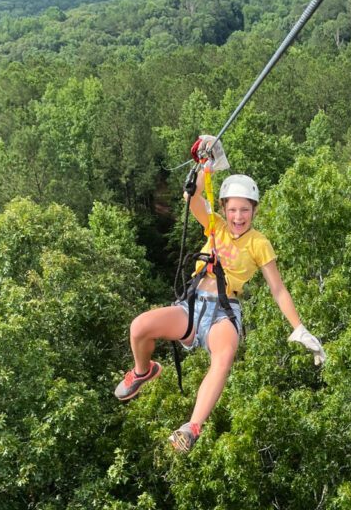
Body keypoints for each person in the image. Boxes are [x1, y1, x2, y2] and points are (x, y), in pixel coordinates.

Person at [115, 135, 326, 452]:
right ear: (224, 209)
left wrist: (299, 327)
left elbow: (278, 289)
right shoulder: (214, 225)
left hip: (224, 313)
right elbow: (193, 197)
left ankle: (191, 427)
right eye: (233, 210)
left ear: (254, 211)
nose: (239, 217)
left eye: (245, 210)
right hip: (192, 305)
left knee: (224, 356)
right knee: (139, 327)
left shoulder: (259, 243)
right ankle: (143, 371)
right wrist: (206, 163)